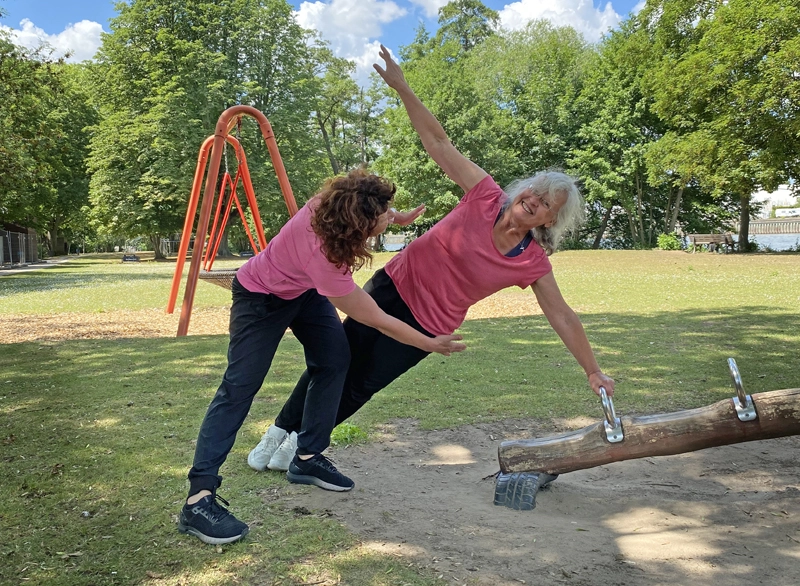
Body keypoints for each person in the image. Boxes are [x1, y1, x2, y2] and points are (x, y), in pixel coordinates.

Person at [249, 44, 615, 482]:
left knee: (362, 384)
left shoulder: (530, 261)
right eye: (533, 191)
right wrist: (402, 87)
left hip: (429, 324)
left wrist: (592, 370)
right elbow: (439, 142)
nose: (533, 200)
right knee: (334, 361)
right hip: (392, 287)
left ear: (553, 219)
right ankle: (277, 433)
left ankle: (300, 449)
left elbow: (561, 314)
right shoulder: (483, 194)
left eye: (545, 203)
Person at [177, 168, 466, 545]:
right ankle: (198, 498)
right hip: (259, 298)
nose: (387, 216)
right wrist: (427, 342)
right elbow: (376, 317)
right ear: (357, 224)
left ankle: (307, 457)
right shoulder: (326, 259)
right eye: (383, 215)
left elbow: (364, 206)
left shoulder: (331, 208)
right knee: (239, 387)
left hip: (303, 292)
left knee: (334, 361)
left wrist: (396, 216)